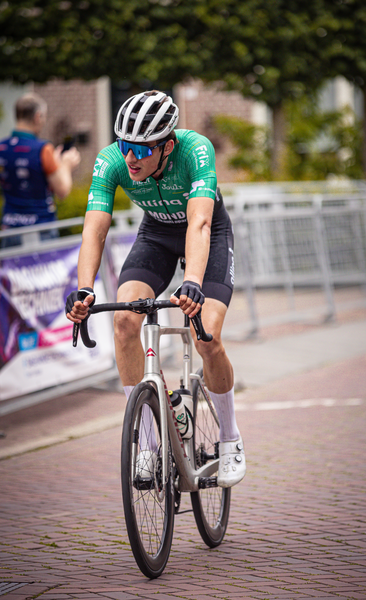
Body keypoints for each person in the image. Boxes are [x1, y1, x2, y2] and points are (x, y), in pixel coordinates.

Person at [65, 90, 246, 488]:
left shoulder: (195, 150)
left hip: (207, 233)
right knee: (126, 322)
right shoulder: (111, 160)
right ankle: (148, 441)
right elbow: (94, 228)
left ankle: (230, 438)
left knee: (207, 336)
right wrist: (84, 288)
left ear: (167, 146)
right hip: (157, 234)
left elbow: (199, 224)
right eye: (124, 145)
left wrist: (193, 283)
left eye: (141, 149)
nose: (130, 157)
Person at [0, 92, 81, 247]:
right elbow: (63, 190)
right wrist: (65, 164)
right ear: (38, 116)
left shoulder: (2, 147)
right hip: (40, 228)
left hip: (9, 227)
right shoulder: (43, 149)